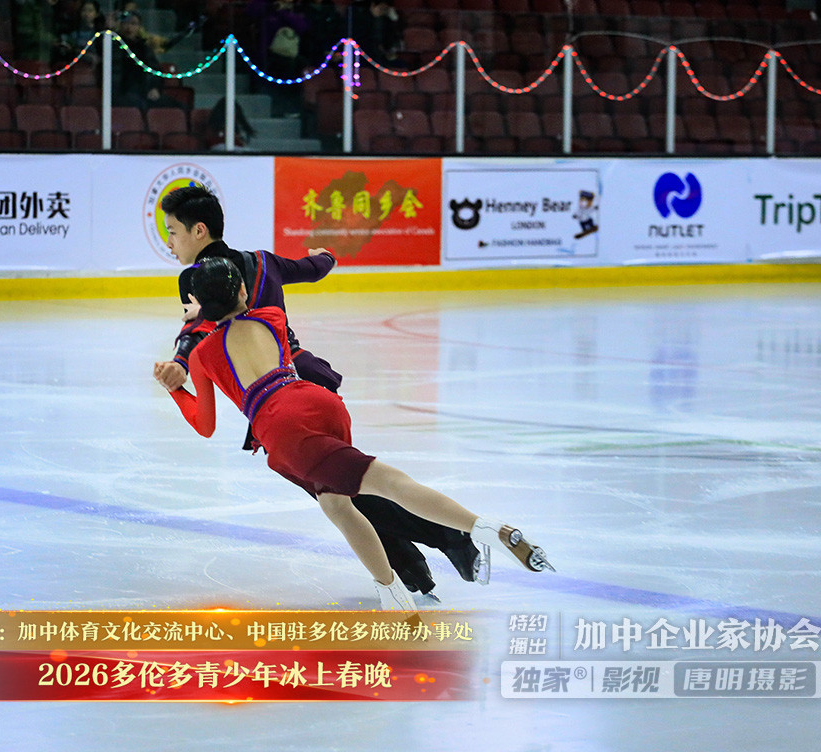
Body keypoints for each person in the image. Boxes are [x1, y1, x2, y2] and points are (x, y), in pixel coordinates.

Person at [159, 256, 555, 610]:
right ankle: (392, 592)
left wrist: (176, 388)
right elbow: (250, 311)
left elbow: (205, 425)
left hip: (283, 427)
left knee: (388, 485)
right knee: (337, 504)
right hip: (319, 401)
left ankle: (489, 529)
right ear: (243, 291)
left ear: (200, 306)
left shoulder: (202, 354)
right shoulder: (271, 316)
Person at [151, 186, 487, 600]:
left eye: (173, 232)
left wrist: (180, 363)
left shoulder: (195, 279)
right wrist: (326, 255)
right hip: (307, 381)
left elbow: (198, 329)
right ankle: (415, 562)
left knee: (343, 487)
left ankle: (443, 543)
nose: (170, 242)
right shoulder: (263, 261)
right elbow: (312, 268)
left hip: (279, 402)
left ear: (199, 230)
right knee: (342, 485)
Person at [349, 0, 403, 68]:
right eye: (381, 8)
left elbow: (388, 42)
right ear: (373, 5)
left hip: (380, 57)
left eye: (385, 9)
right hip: (362, 56)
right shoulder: (359, 18)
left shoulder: (386, 21)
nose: (383, 12)